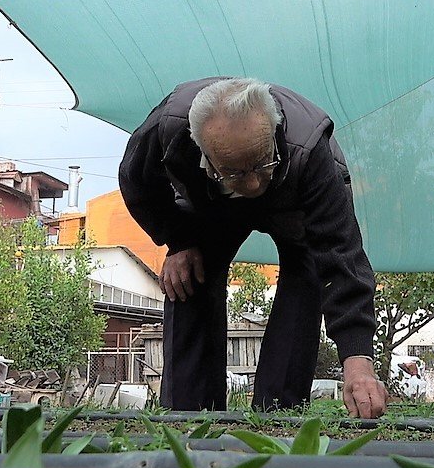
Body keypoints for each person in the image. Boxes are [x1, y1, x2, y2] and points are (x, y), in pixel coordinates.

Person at [119, 77, 386, 418]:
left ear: (273, 131)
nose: (253, 185)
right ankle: (189, 416)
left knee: (308, 278)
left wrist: (358, 361)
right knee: (189, 275)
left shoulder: (312, 153)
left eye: (261, 164)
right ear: (200, 148)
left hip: (295, 202)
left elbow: (341, 255)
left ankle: (277, 414)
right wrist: (178, 240)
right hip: (211, 203)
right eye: (235, 171)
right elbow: (136, 181)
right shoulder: (168, 128)